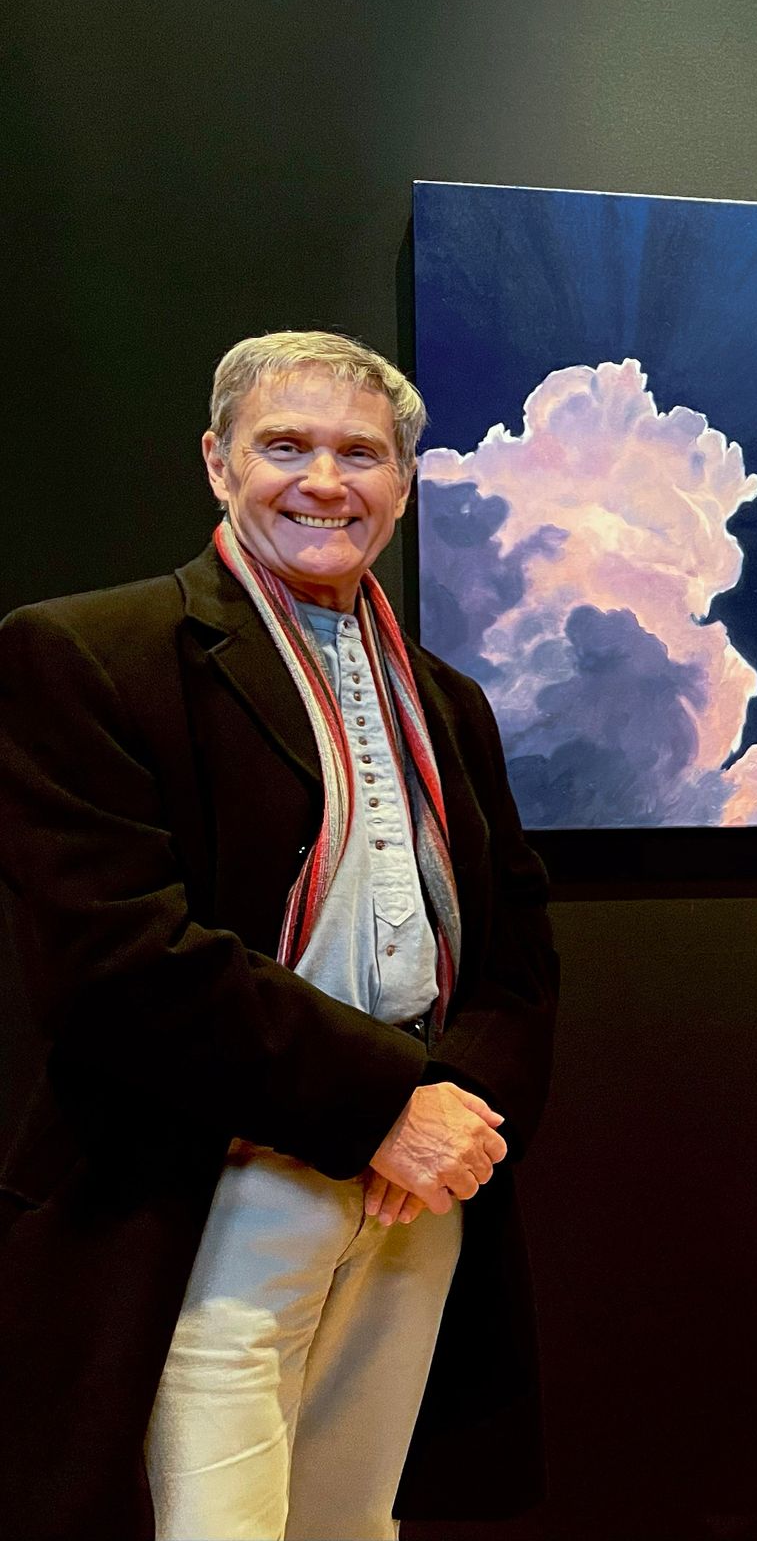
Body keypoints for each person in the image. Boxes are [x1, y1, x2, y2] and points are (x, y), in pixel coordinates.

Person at [0, 332, 559, 1539]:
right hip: (209, 1188)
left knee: (354, 1525)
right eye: (285, 446)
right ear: (217, 462)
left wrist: (452, 1113)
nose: (324, 481)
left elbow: (518, 956)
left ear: (403, 484)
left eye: (361, 454)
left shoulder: (452, 702)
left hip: (413, 1201)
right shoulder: (88, 653)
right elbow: (119, 963)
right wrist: (386, 1104)